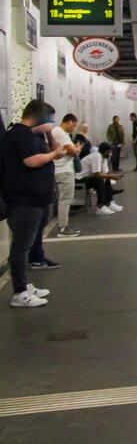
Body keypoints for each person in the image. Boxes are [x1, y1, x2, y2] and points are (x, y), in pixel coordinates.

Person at [4, 99, 70, 307]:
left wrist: (48, 133)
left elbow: (53, 150)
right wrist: (52, 154)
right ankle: (20, 292)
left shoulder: (33, 135)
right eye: (49, 119)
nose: (52, 122)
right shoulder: (20, 134)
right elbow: (31, 161)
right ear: (38, 116)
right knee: (21, 246)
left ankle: (25, 284)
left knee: (28, 243)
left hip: (36, 199)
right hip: (24, 200)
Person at [49, 113, 82, 240]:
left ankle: (64, 226)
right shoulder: (60, 133)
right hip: (64, 170)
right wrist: (77, 149)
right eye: (74, 125)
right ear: (69, 122)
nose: (74, 127)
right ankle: (63, 228)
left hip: (58, 170)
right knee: (66, 199)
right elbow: (73, 152)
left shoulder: (56, 132)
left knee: (62, 199)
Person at [78, 142, 123, 215]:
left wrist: (111, 176)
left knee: (106, 179)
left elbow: (105, 173)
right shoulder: (97, 156)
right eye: (110, 152)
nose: (111, 154)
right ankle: (100, 206)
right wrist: (111, 176)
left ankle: (109, 203)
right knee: (99, 180)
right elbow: (97, 174)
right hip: (79, 178)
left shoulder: (104, 159)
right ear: (106, 151)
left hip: (88, 177)